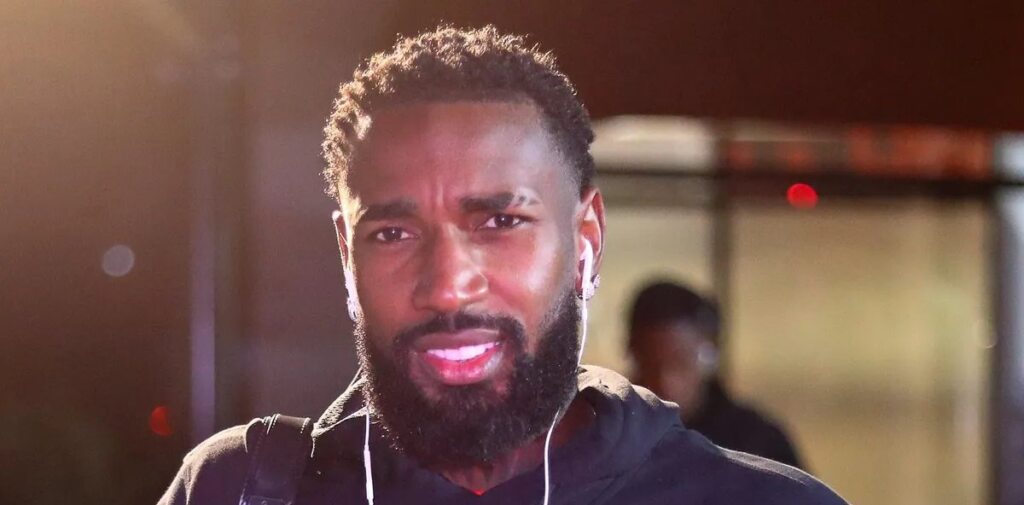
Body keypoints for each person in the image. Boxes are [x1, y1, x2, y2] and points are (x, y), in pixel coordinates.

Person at [158, 25, 845, 505]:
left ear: (585, 242)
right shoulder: (238, 490)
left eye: (499, 222)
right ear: (347, 256)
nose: (447, 285)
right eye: (393, 232)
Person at [628, 281, 805, 470]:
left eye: (680, 363)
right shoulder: (618, 438)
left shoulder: (759, 444)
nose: (665, 382)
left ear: (708, 356)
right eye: (649, 365)